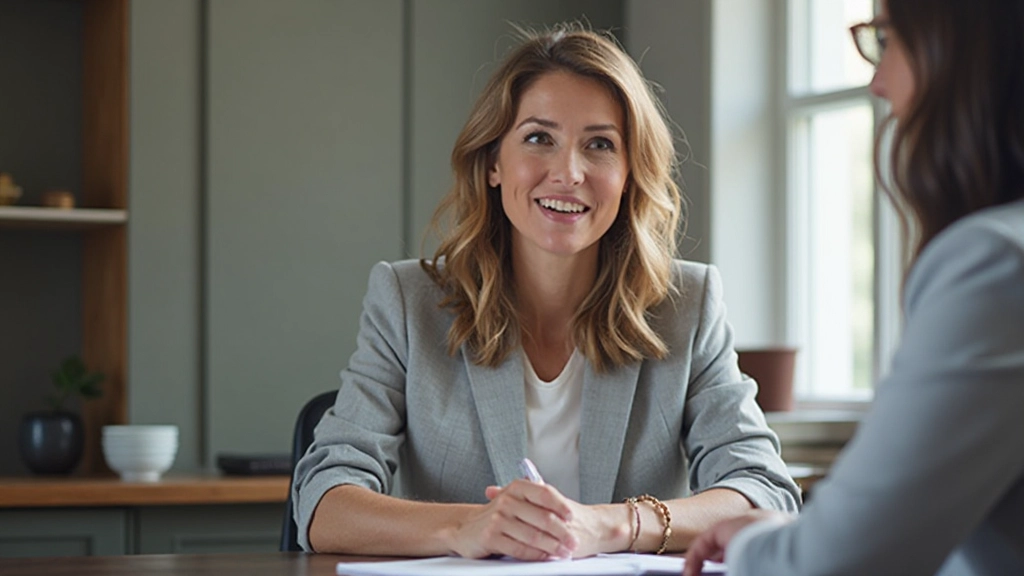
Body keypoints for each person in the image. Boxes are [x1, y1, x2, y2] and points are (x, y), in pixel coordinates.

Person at [292, 23, 800, 560]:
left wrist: (614, 525)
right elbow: (324, 501)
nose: (569, 172)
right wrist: (465, 527)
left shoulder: (686, 305)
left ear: (629, 173)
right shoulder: (407, 301)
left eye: (600, 145)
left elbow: (765, 492)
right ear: (493, 162)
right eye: (539, 138)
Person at [684, 1, 1024, 575]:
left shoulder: (994, 265)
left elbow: (832, 563)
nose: (877, 83)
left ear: (960, 48)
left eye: (885, 40)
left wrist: (755, 545)